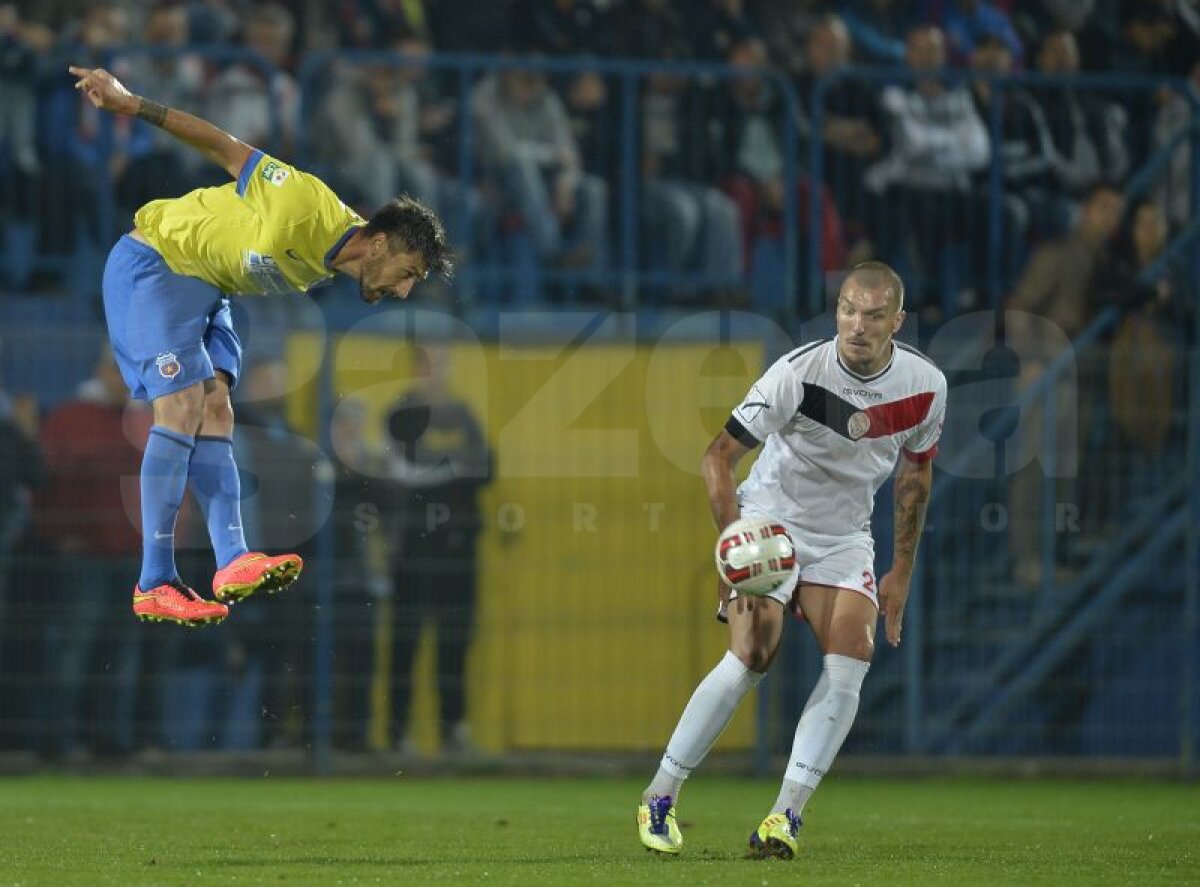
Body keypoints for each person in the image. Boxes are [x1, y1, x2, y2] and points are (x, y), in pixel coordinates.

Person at [68, 63, 452, 627]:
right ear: (382, 242)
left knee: (217, 406)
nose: (404, 289)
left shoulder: (330, 266)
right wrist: (133, 105)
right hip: (155, 264)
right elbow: (224, 145)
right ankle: (154, 582)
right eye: (408, 270)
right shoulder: (304, 205)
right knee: (178, 406)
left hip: (208, 288)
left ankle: (231, 561)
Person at [637, 261, 946, 859]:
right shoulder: (798, 373)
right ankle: (660, 796)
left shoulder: (925, 386)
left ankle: (784, 818)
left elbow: (916, 476)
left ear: (897, 321)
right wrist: (735, 551)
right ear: (837, 310)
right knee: (754, 652)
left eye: (874, 315)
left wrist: (902, 570)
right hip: (770, 523)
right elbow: (716, 457)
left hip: (843, 536)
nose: (857, 325)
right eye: (848, 309)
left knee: (852, 658)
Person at [384, 345, 492, 755]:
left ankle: (453, 729)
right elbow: (403, 471)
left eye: (442, 362)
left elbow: (487, 466)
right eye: (428, 363)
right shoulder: (400, 415)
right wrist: (454, 466)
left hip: (459, 547)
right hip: (412, 547)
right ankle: (398, 733)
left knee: (456, 641)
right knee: (406, 641)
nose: (436, 371)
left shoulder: (462, 413)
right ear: (415, 368)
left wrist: (441, 466)